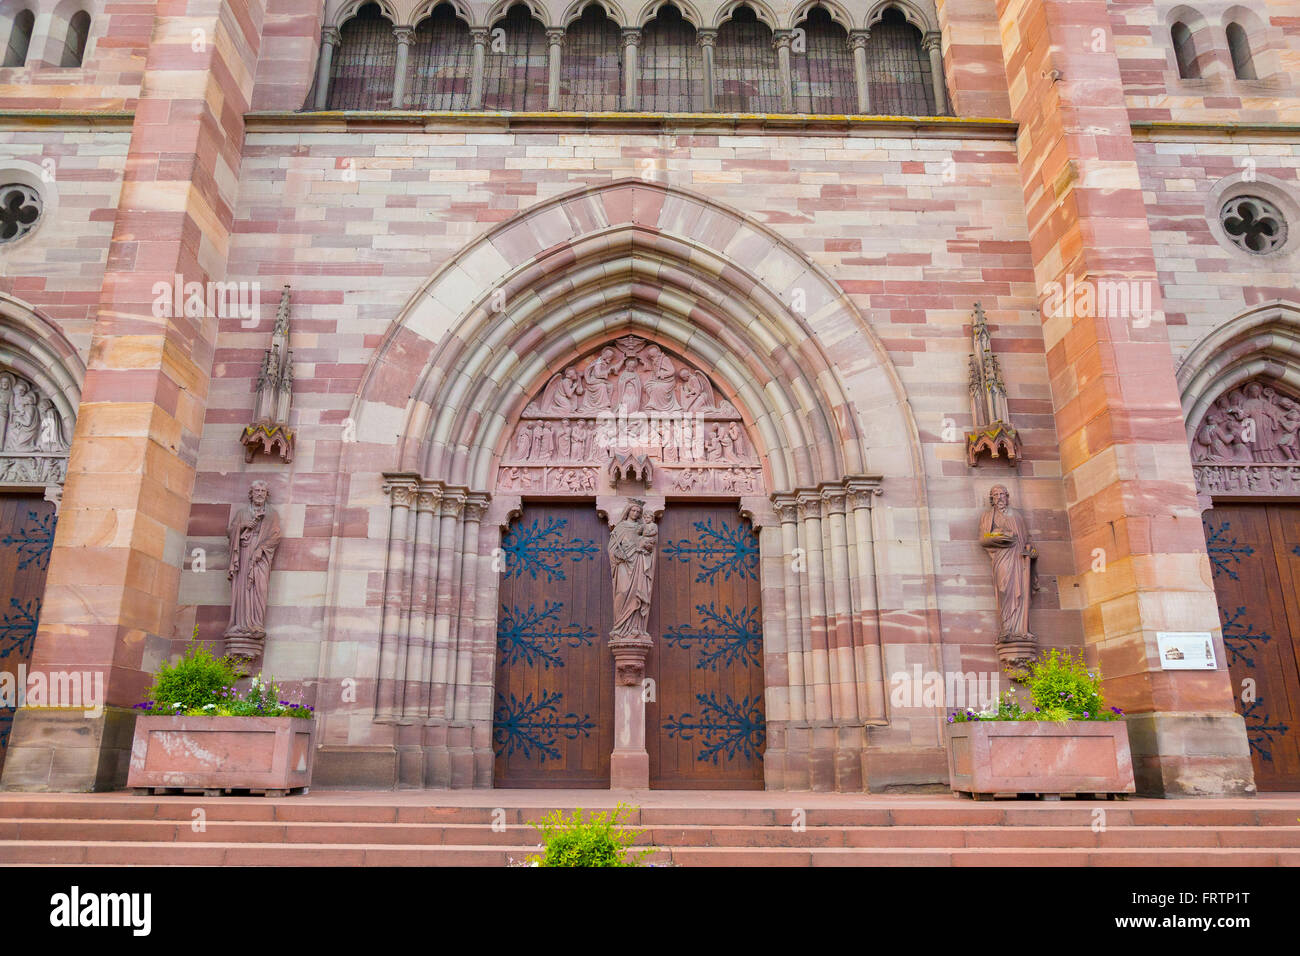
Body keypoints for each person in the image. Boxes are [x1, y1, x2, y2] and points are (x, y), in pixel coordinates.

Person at [979, 484, 1037, 642]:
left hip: (1018, 558)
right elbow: (984, 539)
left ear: (1007, 496)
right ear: (992, 499)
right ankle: (1007, 628)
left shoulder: (1016, 516)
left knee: (1020, 592)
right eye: (996, 495)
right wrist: (1003, 537)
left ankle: (1020, 629)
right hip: (1001, 558)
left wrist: (1031, 552)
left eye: (1002, 494)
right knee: (1005, 590)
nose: (999, 498)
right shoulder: (987, 517)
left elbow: (1025, 539)